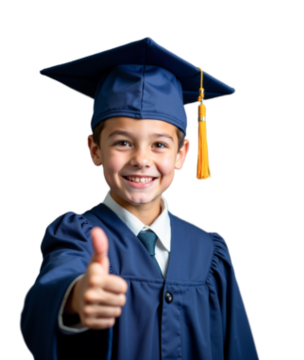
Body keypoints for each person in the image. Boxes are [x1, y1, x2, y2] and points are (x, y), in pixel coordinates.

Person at [19, 35, 260, 359]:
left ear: (182, 153)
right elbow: (51, 289)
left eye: (159, 144)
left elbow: (239, 347)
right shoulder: (79, 237)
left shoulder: (209, 251)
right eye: (123, 143)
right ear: (95, 150)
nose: (141, 159)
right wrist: (74, 298)